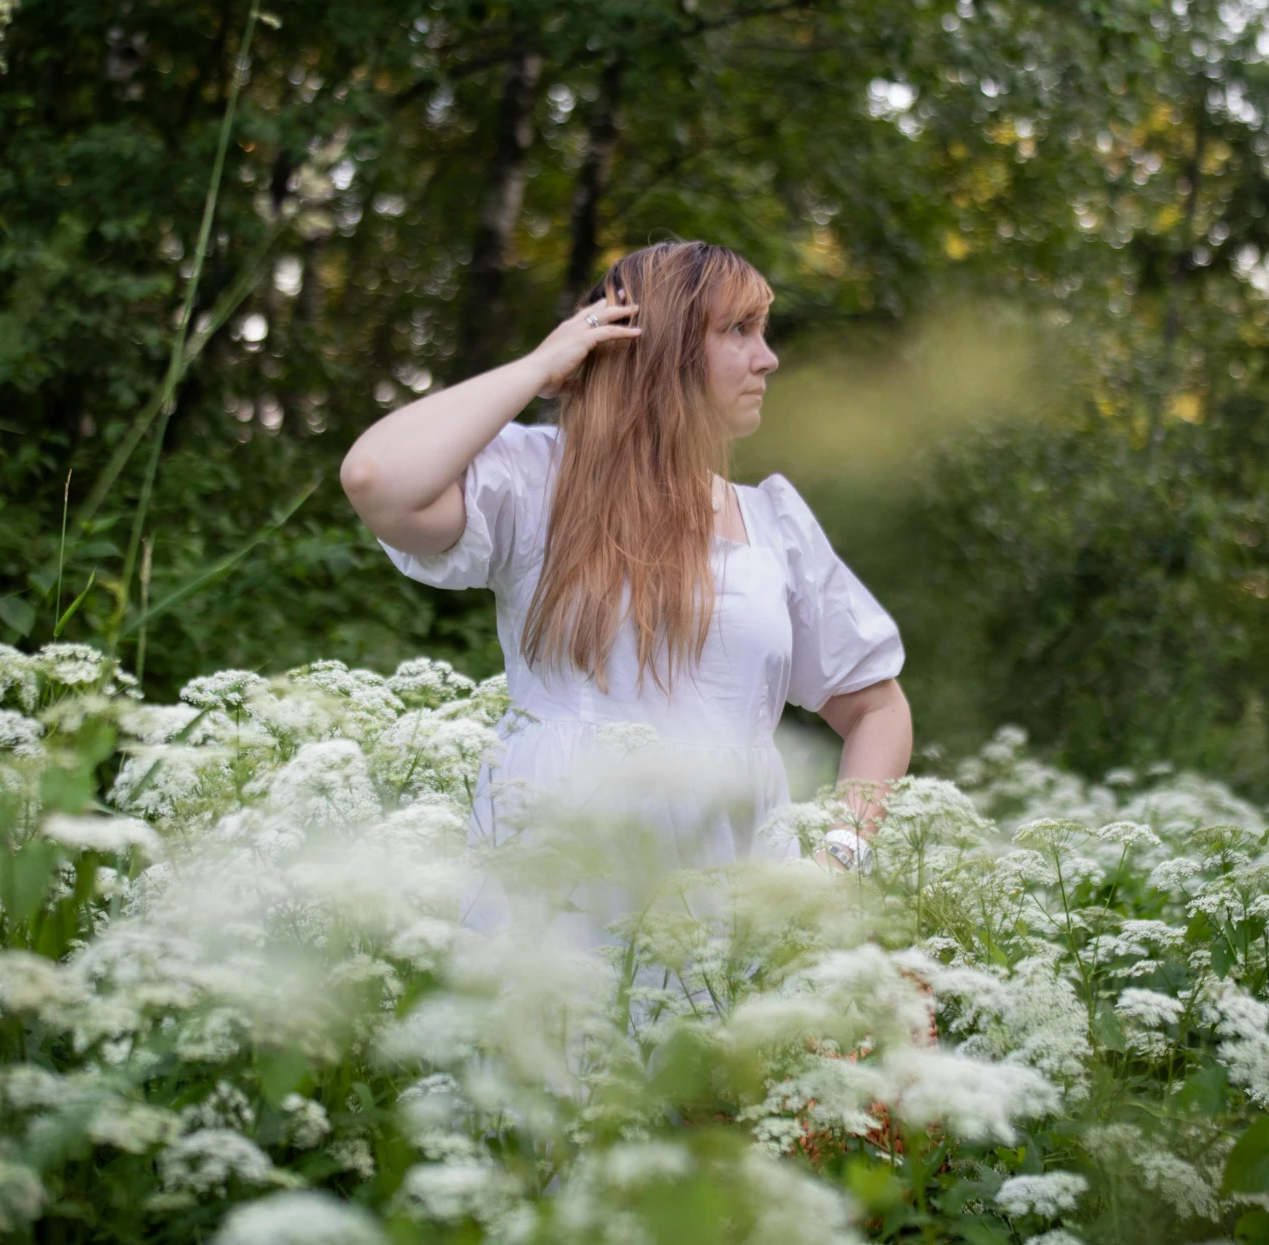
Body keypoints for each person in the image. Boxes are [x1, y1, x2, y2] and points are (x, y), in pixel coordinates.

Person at [340, 241, 912, 868]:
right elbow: (375, 477)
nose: (767, 358)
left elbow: (877, 710)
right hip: (553, 885)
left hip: (735, 891)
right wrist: (538, 366)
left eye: (763, 332)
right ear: (663, 348)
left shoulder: (773, 522)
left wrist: (840, 860)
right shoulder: (537, 482)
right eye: (739, 330)